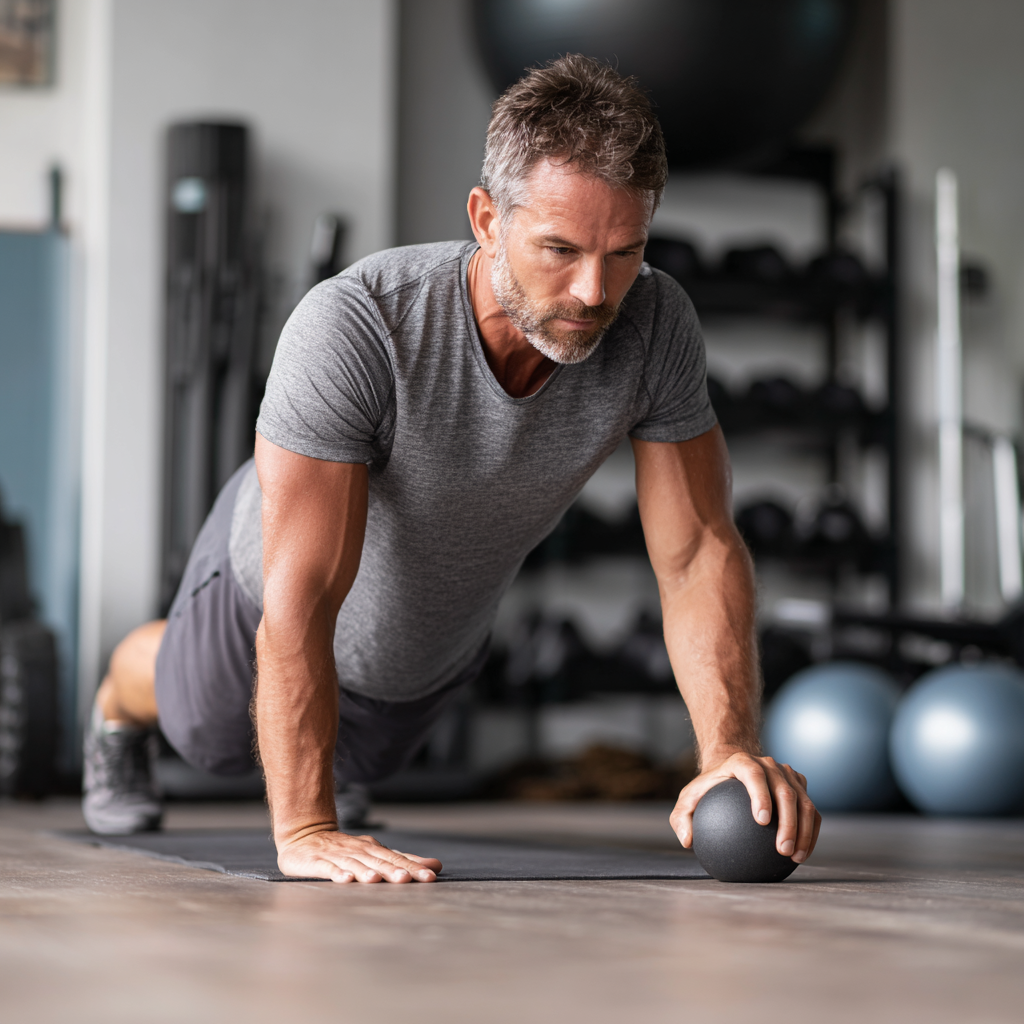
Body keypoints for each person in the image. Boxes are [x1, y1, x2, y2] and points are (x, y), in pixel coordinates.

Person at [83, 55, 820, 883]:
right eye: (559, 248)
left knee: (372, 754)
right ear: (485, 217)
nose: (593, 289)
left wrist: (728, 750)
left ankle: (333, 763)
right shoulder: (359, 325)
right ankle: (117, 713)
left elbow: (696, 554)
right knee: (210, 737)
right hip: (270, 588)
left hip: (427, 642)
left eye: (625, 251)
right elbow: (304, 597)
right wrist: (307, 827)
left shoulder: (655, 324)